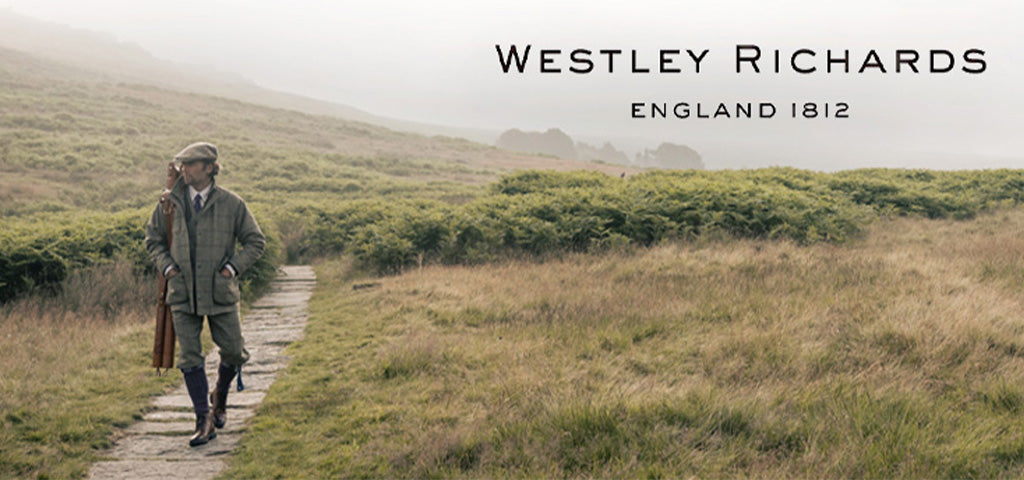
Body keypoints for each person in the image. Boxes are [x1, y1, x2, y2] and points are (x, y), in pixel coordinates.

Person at [144, 142, 266, 447]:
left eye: (191, 164)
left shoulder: (232, 204)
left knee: (235, 352)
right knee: (190, 356)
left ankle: (219, 397)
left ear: (210, 168)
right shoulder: (168, 204)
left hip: (220, 291)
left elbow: (255, 242)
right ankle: (203, 419)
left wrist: (232, 269)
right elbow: (153, 241)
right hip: (182, 292)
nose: (184, 169)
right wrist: (169, 268)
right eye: (182, 165)